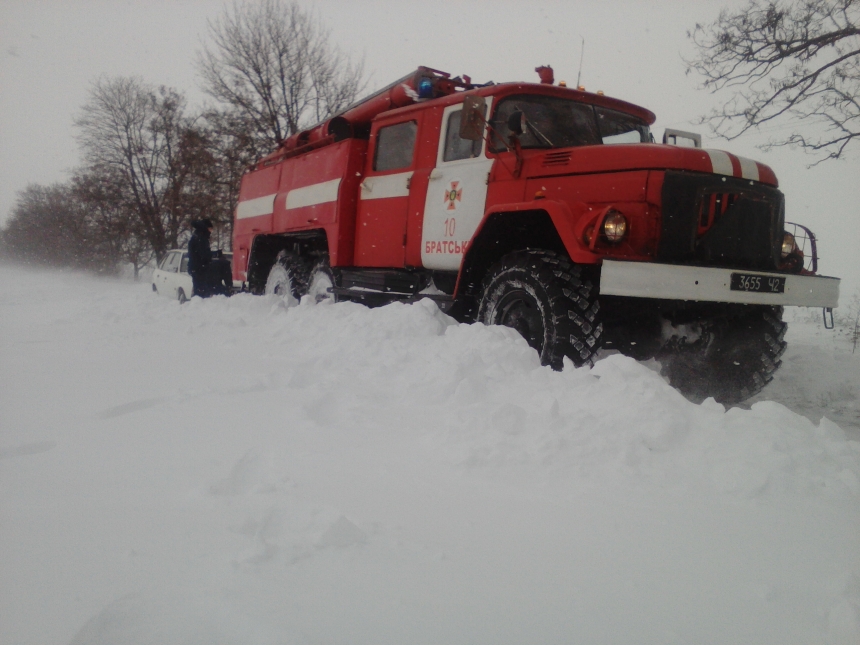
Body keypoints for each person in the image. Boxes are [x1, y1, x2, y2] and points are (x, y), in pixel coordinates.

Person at [188, 219, 215, 298]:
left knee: (199, 290)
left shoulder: (196, 236)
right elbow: (204, 254)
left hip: (196, 268)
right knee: (202, 292)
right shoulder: (201, 239)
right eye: (210, 229)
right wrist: (214, 254)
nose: (211, 232)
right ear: (206, 228)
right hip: (200, 268)